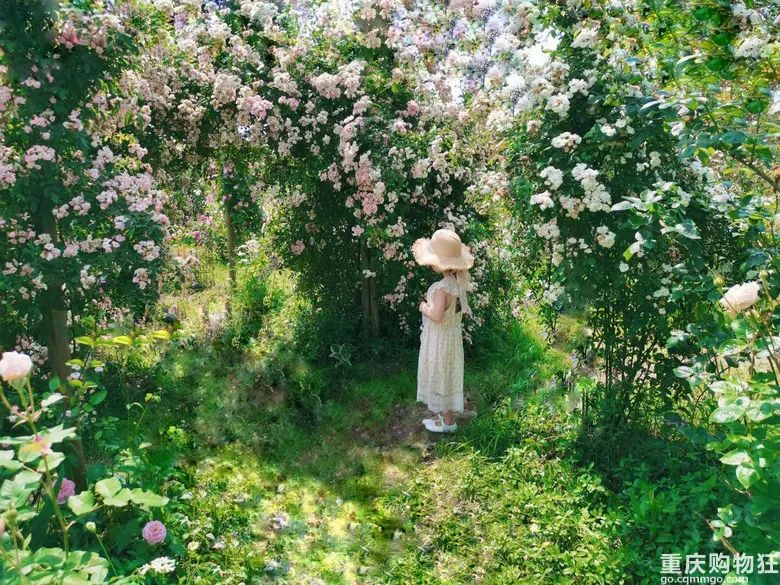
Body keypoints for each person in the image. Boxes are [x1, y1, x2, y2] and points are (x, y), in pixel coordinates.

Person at [412, 228, 474, 433]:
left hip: (440, 340)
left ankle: (448, 423)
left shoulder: (442, 288)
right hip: (451, 338)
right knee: (447, 373)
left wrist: (423, 307)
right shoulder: (457, 284)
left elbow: (437, 315)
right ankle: (443, 415)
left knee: (441, 375)